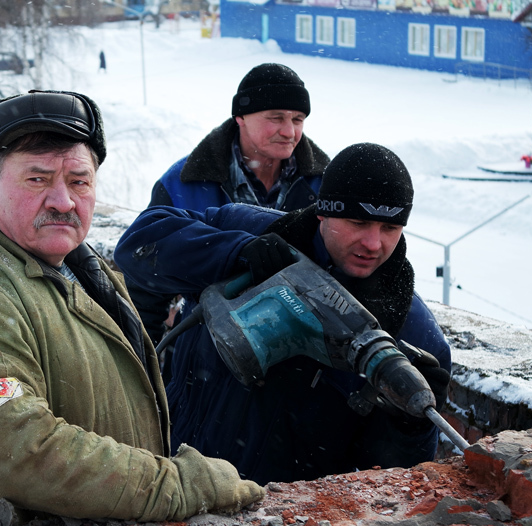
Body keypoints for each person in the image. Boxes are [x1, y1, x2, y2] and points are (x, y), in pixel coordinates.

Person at [0, 90, 263, 526]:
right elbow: (13, 450)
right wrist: (178, 485)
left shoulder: (70, 263)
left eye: (79, 181)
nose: (63, 201)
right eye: (37, 179)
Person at [114, 143, 452, 486]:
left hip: (275, 518)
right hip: (169, 468)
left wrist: (411, 426)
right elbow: (137, 246)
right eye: (358, 222)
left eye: (390, 228)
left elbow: (397, 484)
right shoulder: (251, 231)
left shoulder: (413, 334)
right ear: (323, 211)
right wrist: (232, 252)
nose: (373, 243)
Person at [132, 63, 330, 354]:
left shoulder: (325, 187)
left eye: (298, 119)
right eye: (276, 117)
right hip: (203, 355)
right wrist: (148, 361)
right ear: (240, 117)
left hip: (301, 357)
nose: (289, 131)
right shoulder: (183, 183)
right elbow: (146, 276)